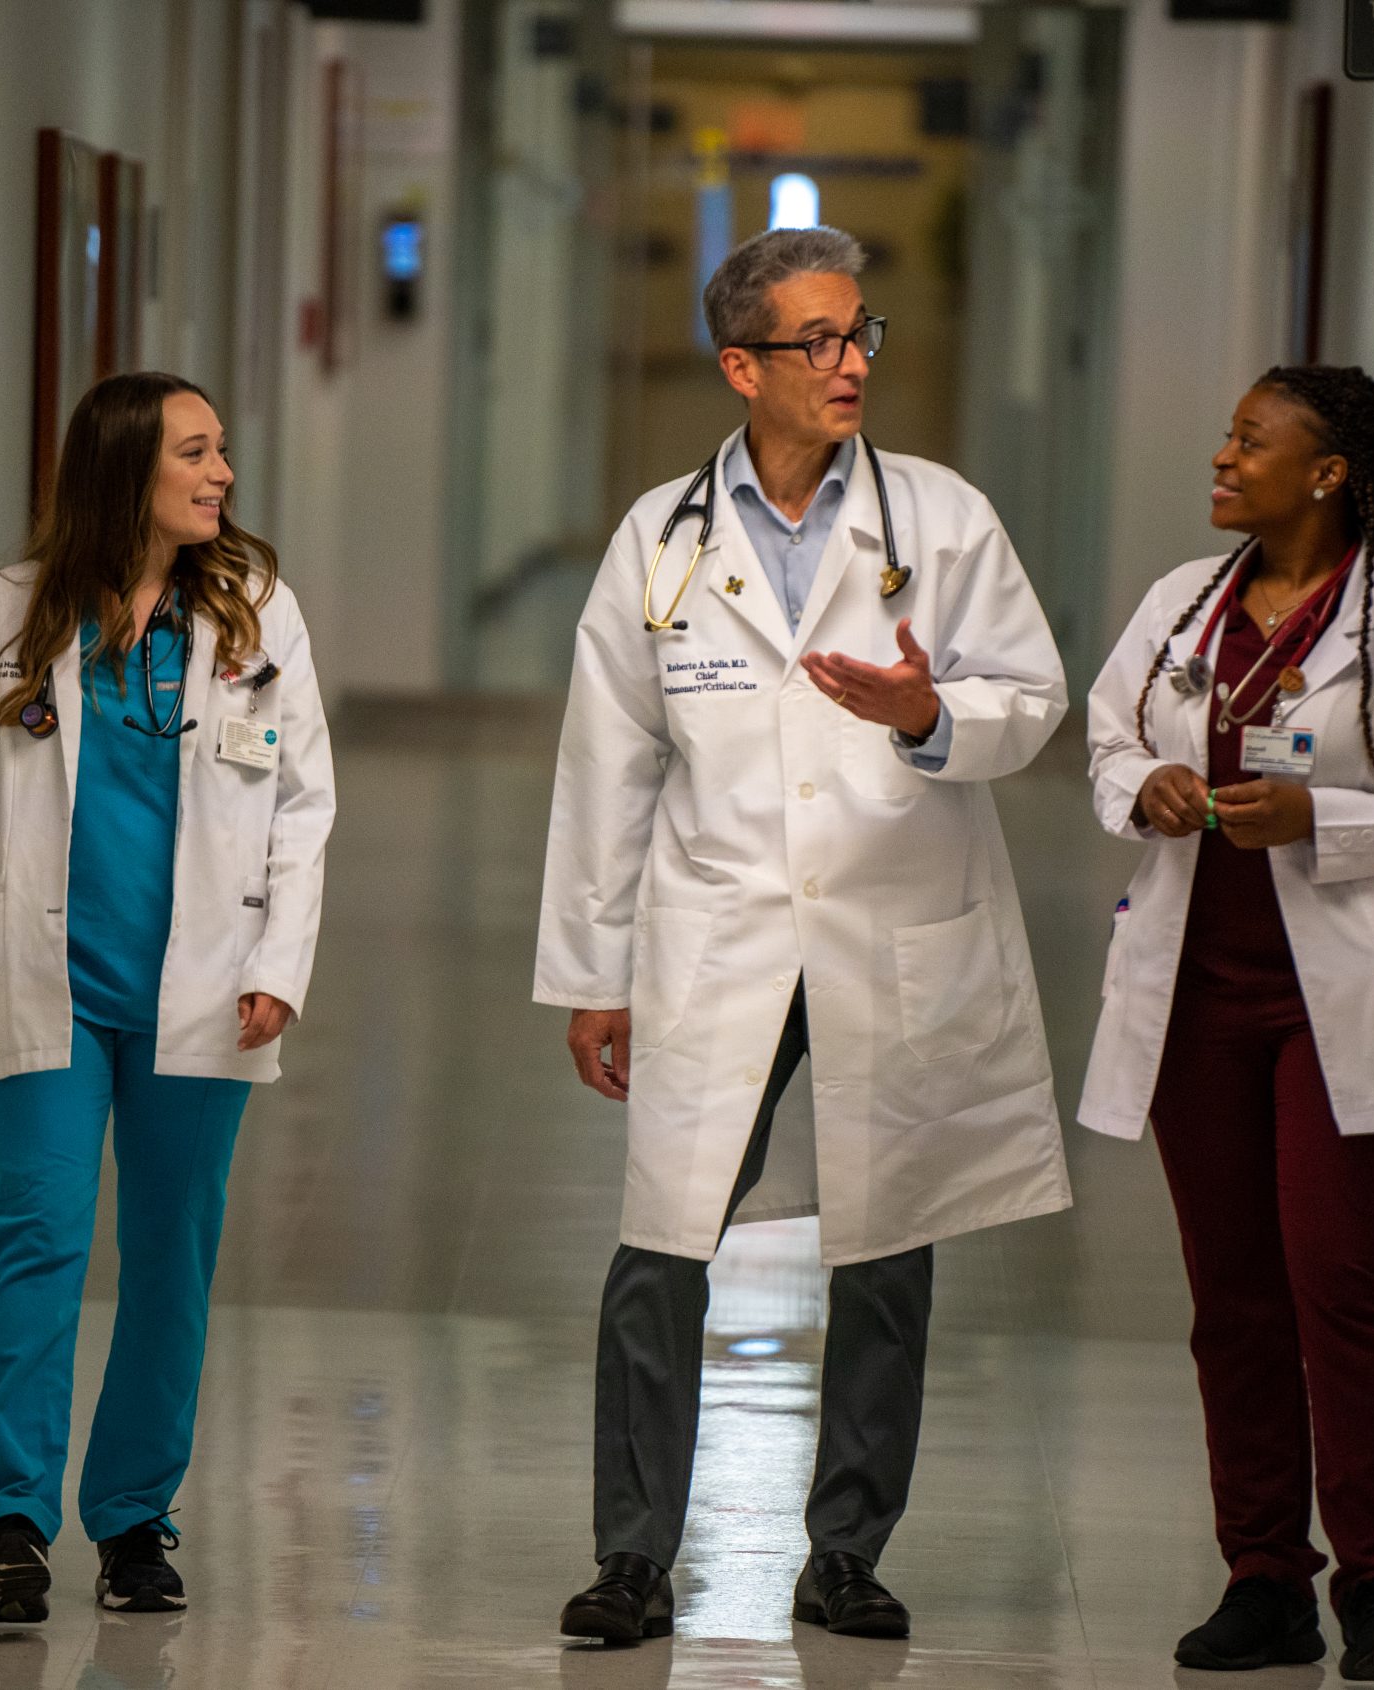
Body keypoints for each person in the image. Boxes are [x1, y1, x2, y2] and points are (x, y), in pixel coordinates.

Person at [536, 226, 1072, 1645]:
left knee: (887, 1242)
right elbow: (608, 766)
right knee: (664, 1236)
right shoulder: (659, 539)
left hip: (891, 918)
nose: (851, 364)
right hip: (716, 929)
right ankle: (633, 1555)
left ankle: (846, 1551)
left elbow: (1032, 697)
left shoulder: (942, 519)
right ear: (741, 366)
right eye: (818, 340)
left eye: (860, 334)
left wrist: (929, 713)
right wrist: (593, 973)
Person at [1079, 366, 1374, 1681]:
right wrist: (1145, 786)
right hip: (1196, 998)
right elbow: (1105, 739)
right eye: (1226, 436)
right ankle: (1264, 1574)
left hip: (1344, 999)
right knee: (1234, 1297)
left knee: (1344, 1284)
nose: (1221, 456)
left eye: (1249, 440)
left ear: (1328, 472)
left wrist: (1325, 816)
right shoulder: (1183, 602)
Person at [0, 371, 335, 1623]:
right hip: (43, 986)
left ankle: (135, 1516)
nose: (222, 475)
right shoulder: (11, 609)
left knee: (169, 1255)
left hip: (204, 992)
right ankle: (9, 1520)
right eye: (194, 453)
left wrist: (278, 965)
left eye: (220, 451)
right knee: (37, 1240)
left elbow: (304, 806)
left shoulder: (257, 611)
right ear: (124, 469)